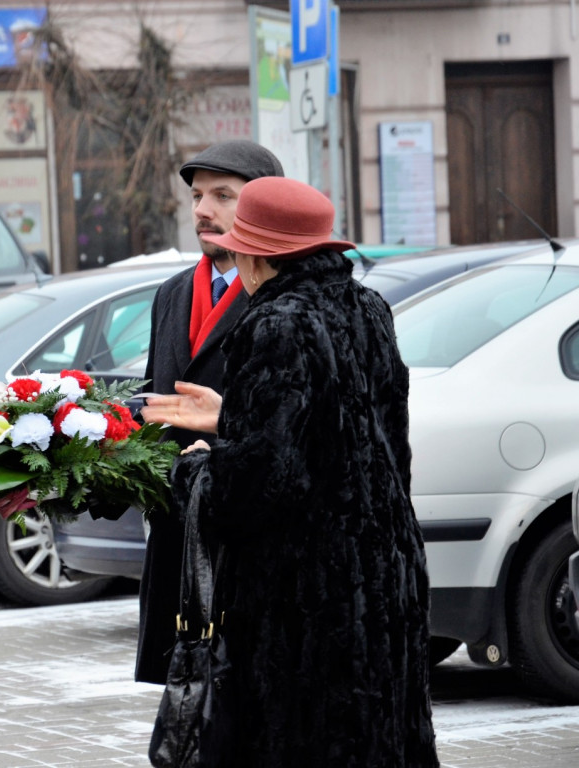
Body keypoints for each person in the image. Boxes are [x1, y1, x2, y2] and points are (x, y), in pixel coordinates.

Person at [142, 176, 439, 764]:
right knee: (378, 736)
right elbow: (356, 437)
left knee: (306, 739)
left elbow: (259, 487)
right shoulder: (368, 307)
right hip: (384, 573)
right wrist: (232, 419)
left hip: (308, 596)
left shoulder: (277, 322)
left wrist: (198, 469)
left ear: (257, 254)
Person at [135, 140, 284, 685]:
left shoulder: (284, 298)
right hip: (179, 548)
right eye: (198, 196)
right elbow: (159, 407)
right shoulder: (170, 294)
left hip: (248, 550)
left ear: (265, 204)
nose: (201, 210)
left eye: (223, 195)